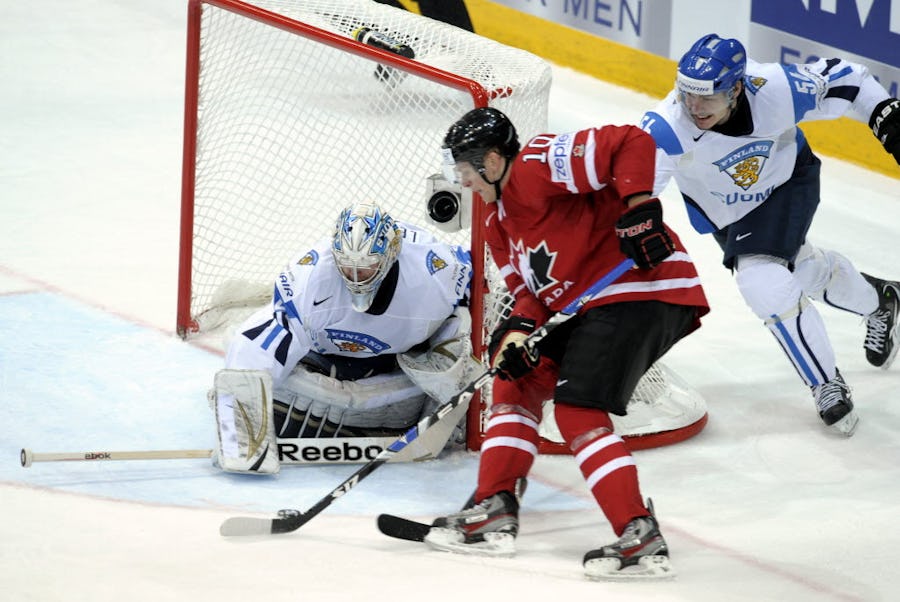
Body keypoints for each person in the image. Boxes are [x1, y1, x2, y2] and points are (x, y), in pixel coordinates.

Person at [419, 107, 710, 581]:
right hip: (591, 305)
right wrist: (515, 335)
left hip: (642, 286)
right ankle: (494, 505)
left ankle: (639, 533)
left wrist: (639, 209)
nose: (463, 180)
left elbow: (630, 141)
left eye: (466, 168)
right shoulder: (495, 221)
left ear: (492, 161)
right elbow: (529, 296)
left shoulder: (537, 163)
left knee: (577, 410)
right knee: (515, 381)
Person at [640, 34, 900, 437]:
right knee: (801, 272)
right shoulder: (666, 126)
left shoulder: (777, 88)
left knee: (761, 278)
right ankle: (880, 301)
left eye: (707, 97)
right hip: (725, 211)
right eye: (687, 94)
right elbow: (633, 190)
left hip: (786, 182)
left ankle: (825, 383)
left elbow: (851, 78)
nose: (694, 107)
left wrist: (886, 115)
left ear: (736, 90)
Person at [211, 201, 477, 473]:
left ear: (390, 254)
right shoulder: (309, 278)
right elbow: (258, 345)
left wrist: (456, 375)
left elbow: (478, 290)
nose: (356, 277)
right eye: (347, 266)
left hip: (398, 361)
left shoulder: (436, 272)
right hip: (322, 356)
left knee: (459, 342)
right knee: (250, 351)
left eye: (367, 267)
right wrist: (238, 435)